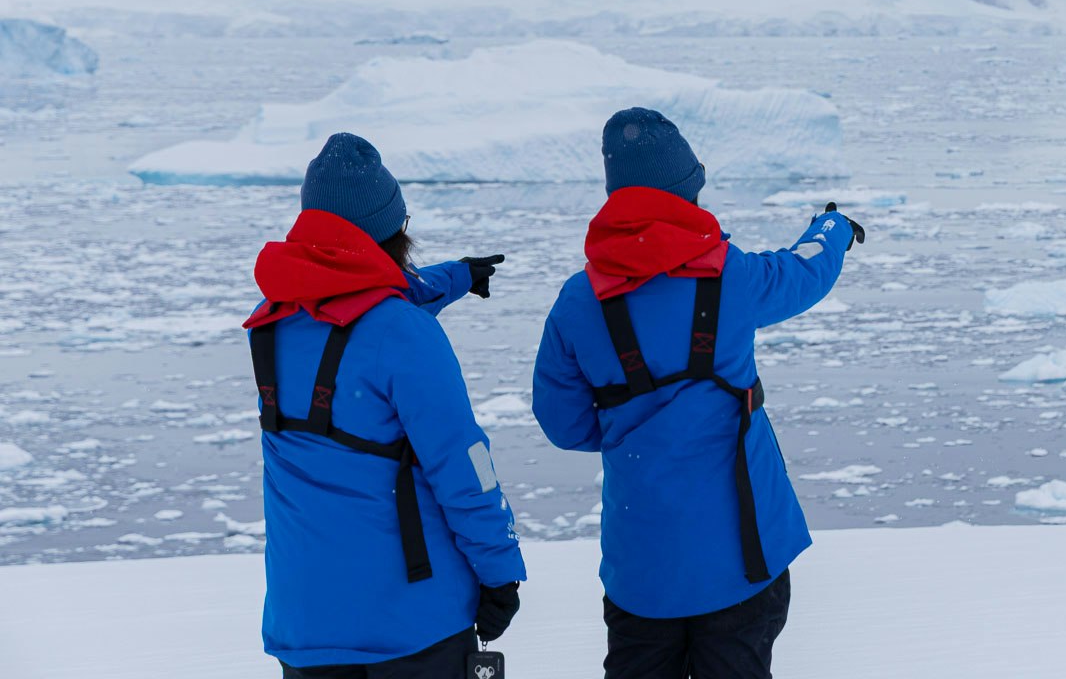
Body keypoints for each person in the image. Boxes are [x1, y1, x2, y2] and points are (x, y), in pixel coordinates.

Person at [533, 108, 860, 679]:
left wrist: (636, 429)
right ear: (686, 192)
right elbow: (804, 270)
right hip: (742, 560)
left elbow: (564, 424)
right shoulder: (734, 277)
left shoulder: (578, 302)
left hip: (642, 569)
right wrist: (832, 228)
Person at [245, 132, 526, 677]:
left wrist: (455, 277)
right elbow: (464, 465)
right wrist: (500, 573)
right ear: (391, 229)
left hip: (305, 627)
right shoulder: (403, 334)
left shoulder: (273, 319)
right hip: (411, 628)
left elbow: (350, 304)